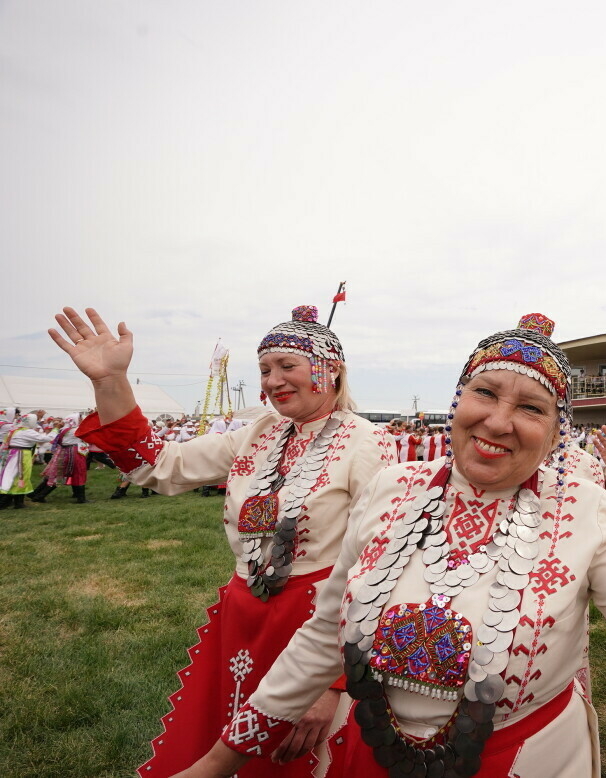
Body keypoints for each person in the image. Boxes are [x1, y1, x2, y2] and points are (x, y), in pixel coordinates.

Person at [172, 314, 606, 778]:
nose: (499, 421)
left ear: (557, 430)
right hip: (364, 753)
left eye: (531, 408)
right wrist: (219, 761)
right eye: (484, 393)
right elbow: (323, 634)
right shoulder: (392, 488)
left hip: (523, 758)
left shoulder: (589, 511)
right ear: (457, 401)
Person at [49, 305, 397, 778]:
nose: (273, 381)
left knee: (301, 758)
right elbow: (160, 465)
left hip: (317, 624)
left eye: (287, 366)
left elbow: (379, 564)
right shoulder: (258, 433)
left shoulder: (367, 441)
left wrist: (332, 680)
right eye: (265, 370)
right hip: (243, 615)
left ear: (330, 370)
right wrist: (110, 382)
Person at [28, 412, 90, 503]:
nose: (81, 420)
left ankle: (36, 493)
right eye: (80, 419)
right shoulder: (75, 430)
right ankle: (81, 498)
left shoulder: (64, 429)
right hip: (73, 453)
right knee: (78, 473)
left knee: (54, 474)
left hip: (63, 452)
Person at [0, 413, 55, 509]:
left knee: (12, 476)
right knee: (21, 476)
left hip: (13, 454)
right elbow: (47, 438)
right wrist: (55, 429)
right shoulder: (28, 432)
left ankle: (13, 501)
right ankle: (10, 502)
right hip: (21, 455)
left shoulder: (15, 430)